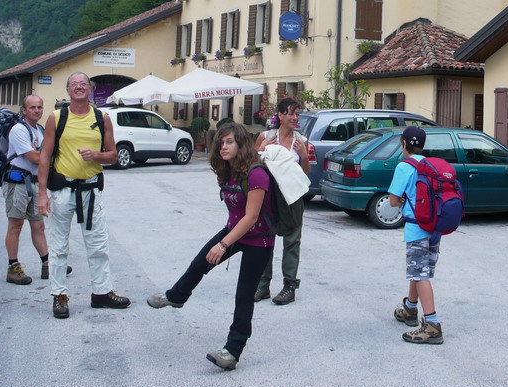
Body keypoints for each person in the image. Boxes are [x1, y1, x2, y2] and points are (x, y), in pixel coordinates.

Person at [147, 123, 275, 371]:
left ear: (241, 144)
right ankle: (176, 297)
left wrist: (223, 244)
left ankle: (232, 352)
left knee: (244, 295)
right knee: (200, 263)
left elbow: (251, 217)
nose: (223, 147)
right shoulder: (229, 171)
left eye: (229, 142)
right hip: (235, 230)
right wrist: (224, 240)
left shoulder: (256, 174)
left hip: (259, 239)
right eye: (220, 142)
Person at [37, 72, 130, 319]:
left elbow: (112, 154)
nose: (79, 88)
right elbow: (44, 156)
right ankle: (59, 295)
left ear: (90, 89)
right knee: (58, 246)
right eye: (74, 84)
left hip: (91, 190)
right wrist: (42, 194)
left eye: (83, 84)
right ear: (68, 90)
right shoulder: (57, 118)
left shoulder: (102, 118)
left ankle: (101, 293)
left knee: (98, 245)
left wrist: (95, 156)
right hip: (63, 191)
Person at [387, 125, 444, 344]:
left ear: (404, 144)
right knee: (419, 270)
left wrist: (401, 199)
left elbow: (392, 201)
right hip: (435, 226)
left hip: (416, 228)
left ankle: (432, 325)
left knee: (420, 275)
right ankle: (410, 309)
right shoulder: (430, 164)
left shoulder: (404, 166)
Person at [252, 97, 310, 305]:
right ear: (280, 115)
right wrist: (260, 151)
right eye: (291, 113)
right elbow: (252, 167)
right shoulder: (265, 137)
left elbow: (305, 172)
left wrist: (303, 156)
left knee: (292, 241)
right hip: (267, 196)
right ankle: (263, 285)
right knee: (265, 240)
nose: (295, 118)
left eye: (297, 114)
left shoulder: (301, 141)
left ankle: (289, 286)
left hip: (292, 197)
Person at [2, 95, 50, 285]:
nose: (37, 110)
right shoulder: (18, 130)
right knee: (16, 225)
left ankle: (47, 264)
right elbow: (35, 157)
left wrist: (44, 155)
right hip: (17, 183)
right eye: (32, 107)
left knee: (38, 225)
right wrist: (46, 155)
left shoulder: (39, 130)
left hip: (34, 182)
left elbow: (43, 155)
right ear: (24, 110)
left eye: (39, 107)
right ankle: (13, 267)